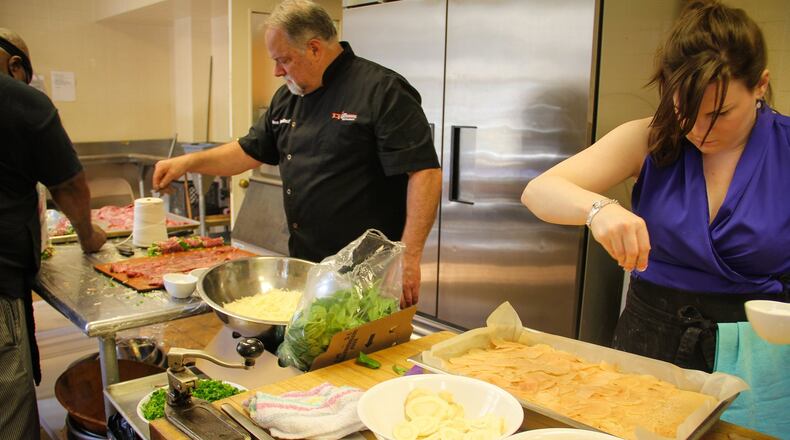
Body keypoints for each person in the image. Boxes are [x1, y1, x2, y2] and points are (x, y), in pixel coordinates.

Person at [522, 1, 789, 371]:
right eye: (684, 111)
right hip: (648, 339)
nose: (698, 130)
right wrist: (599, 210)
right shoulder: (650, 138)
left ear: (760, 85)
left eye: (719, 114)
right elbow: (538, 191)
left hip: (759, 352)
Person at [153, 0, 442, 308]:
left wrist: (409, 257)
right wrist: (188, 162)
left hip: (369, 273)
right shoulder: (287, 98)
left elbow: (425, 172)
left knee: (365, 340)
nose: (277, 71)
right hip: (307, 265)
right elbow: (248, 151)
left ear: (314, 48)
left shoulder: (381, 90)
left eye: (284, 60)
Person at [0, 29, 107, 439]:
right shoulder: (18, 98)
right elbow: (70, 186)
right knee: (9, 418)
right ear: (15, 66)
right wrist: (88, 237)